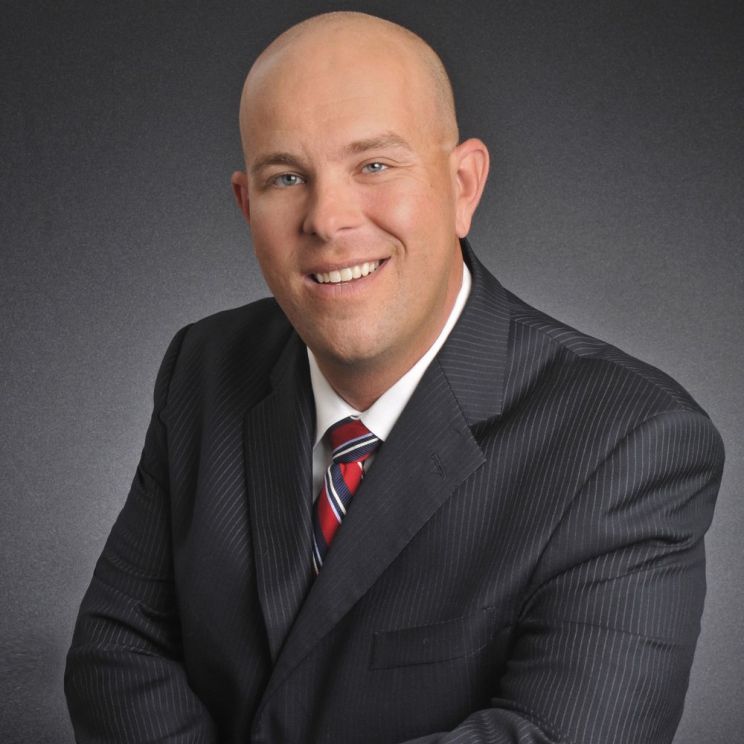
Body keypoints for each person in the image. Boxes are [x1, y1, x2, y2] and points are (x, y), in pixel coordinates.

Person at [65, 11, 724, 744]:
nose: (327, 219)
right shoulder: (204, 366)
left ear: (463, 185)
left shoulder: (630, 439)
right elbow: (119, 651)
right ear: (247, 205)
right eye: (287, 177)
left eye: (374, 165)